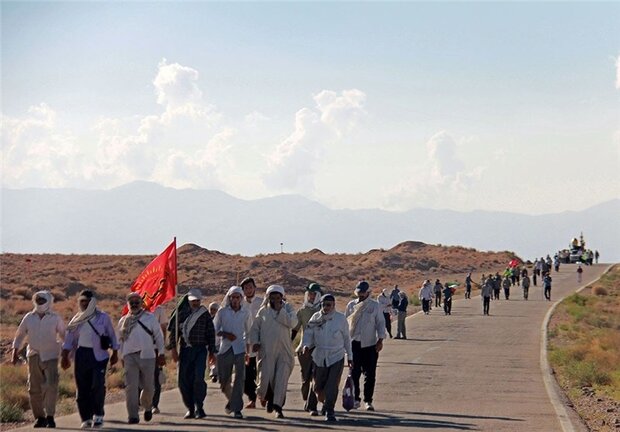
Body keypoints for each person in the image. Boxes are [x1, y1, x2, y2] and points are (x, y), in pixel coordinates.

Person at [61, 290, 119, 429]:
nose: (84, 304)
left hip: (99, 356)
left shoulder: (102, 317)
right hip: (82, 355)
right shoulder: (76, 319)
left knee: (98, 385)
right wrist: (64, 356)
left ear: (92, 302)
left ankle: (98, 415)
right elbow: (69, 339)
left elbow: (112, 334)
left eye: (87, 302)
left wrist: (115, 353)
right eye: (82, 302)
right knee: (82, 387)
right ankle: (86, 417)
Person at [11, 291, 66, 429]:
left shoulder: (55, 318)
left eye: (43, 300)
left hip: (51, 356)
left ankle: (50, 416)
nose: (40, 302)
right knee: (34, 388)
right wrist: (14, 352)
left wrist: (67, 353)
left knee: (52, 385)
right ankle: (40, 417)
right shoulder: (29, 317)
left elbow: (64, 335)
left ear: (48, 301)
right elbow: (20, 334)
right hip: (34, 355)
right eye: (38, 300)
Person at [302, 294, 353, 422]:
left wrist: (350, 357)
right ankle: (313, 406)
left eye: (328, 305)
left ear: (334, 305)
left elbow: (347, 339)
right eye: (323, 305)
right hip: (319, 356)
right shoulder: (316, 318)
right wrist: (306, 346)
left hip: (336, 356)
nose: (326, 307)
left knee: (331, 385)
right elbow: (308, 334)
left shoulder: (340, 319)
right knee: (317, 385)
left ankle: (329, 410)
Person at [249, 285, 298, 418]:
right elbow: (255, 329)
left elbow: (293, 323)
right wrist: (256, 342)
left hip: (284, 351)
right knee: (266, 379)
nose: (275, 300)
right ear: (268, 297)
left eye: (278, 297)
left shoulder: (288, 309)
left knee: (281, 379)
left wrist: (280, 311)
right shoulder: (263, 311)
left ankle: (278, 407)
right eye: (273, 297)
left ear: (282, 297)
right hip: (267, 351)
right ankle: (267, 397)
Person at [168, 288, 216, 420]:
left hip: (200, 350)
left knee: (198, 379)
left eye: (197, 301)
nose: (195, 303)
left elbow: (211, 333)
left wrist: (212, 352)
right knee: (183, 380)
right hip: (185, 351)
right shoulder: (181, 314)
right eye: (193, 301)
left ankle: (199, 407)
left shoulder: (204, 314)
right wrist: (173, 349)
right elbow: (174, 333)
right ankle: (190, 408)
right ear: (189, 301)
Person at [118, 293, 165, 424]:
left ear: (141, 303)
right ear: (128, 304)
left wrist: (161, 353)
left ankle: (148, 406)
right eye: (131, 301)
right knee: (131, 387)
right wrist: (121, 356)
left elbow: (159, 336)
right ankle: (133, 415)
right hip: (129, 357)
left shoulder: (149, 318)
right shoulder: (123, 321)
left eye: (136, 301)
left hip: (148, 356)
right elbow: (120, 341)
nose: (134, 304)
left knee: (149, 386)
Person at [345, 281, 386, 411]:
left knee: (370, 374)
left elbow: (380, 323)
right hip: (354, 344)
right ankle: (356, 399)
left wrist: (380, 340)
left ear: (368, 292)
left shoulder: (375, 306)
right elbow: (345, 324)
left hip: (370, 345)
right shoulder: (351, 305)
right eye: (358, 292)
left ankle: (368, 401)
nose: (360, 294)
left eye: (363, 292)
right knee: (355, 373)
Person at [213, 286, 251, 419]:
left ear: (241, 299)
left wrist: (248, 352)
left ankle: (237, 409)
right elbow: (215, 329)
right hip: (225, 349)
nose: (235, 300)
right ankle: (232, 401)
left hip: (240, 349)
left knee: (240, 379)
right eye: (233, 297)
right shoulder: (222, 312)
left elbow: (249, 332)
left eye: (237, 297)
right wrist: (226, 334)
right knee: (224, 382)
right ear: (229, 298)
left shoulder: (245, 313)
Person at [291, 283, 323, 414]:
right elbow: (295, 329)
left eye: (314, 294)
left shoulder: (323, 310)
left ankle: (312, 405)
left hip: (319, 349)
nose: (311, 296)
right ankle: (306, 399)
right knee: (306, 378)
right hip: (304, 350)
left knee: (315, 376)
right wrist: (288, 343)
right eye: (309, 294)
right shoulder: (302, 311)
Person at [240, 277, 262, 409]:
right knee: (246, 375)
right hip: (244, 344)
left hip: (260, 343)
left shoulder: (262, 302)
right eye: (246, 288)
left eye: (250, 287)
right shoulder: (239, 303)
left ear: (255, 288)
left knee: (263, 372)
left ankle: (263, 394)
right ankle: (252, 398)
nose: (248, 290)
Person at [152, 300, 169, 414]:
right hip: (139, 348)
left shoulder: (159, 310)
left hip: (155, 348)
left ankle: (154, 404)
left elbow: (163, 329)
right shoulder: (137, 308)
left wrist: (161, 350)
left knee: (156, 376)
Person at [208, 302, 220, 383]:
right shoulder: (207, 319)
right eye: (211, 309)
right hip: (209, 342)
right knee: (210, 359)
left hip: (218, 342)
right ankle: (212, 373)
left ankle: (215, 374)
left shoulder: (220, 319)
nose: (213, 311)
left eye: (215, 309)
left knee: (216, 358)